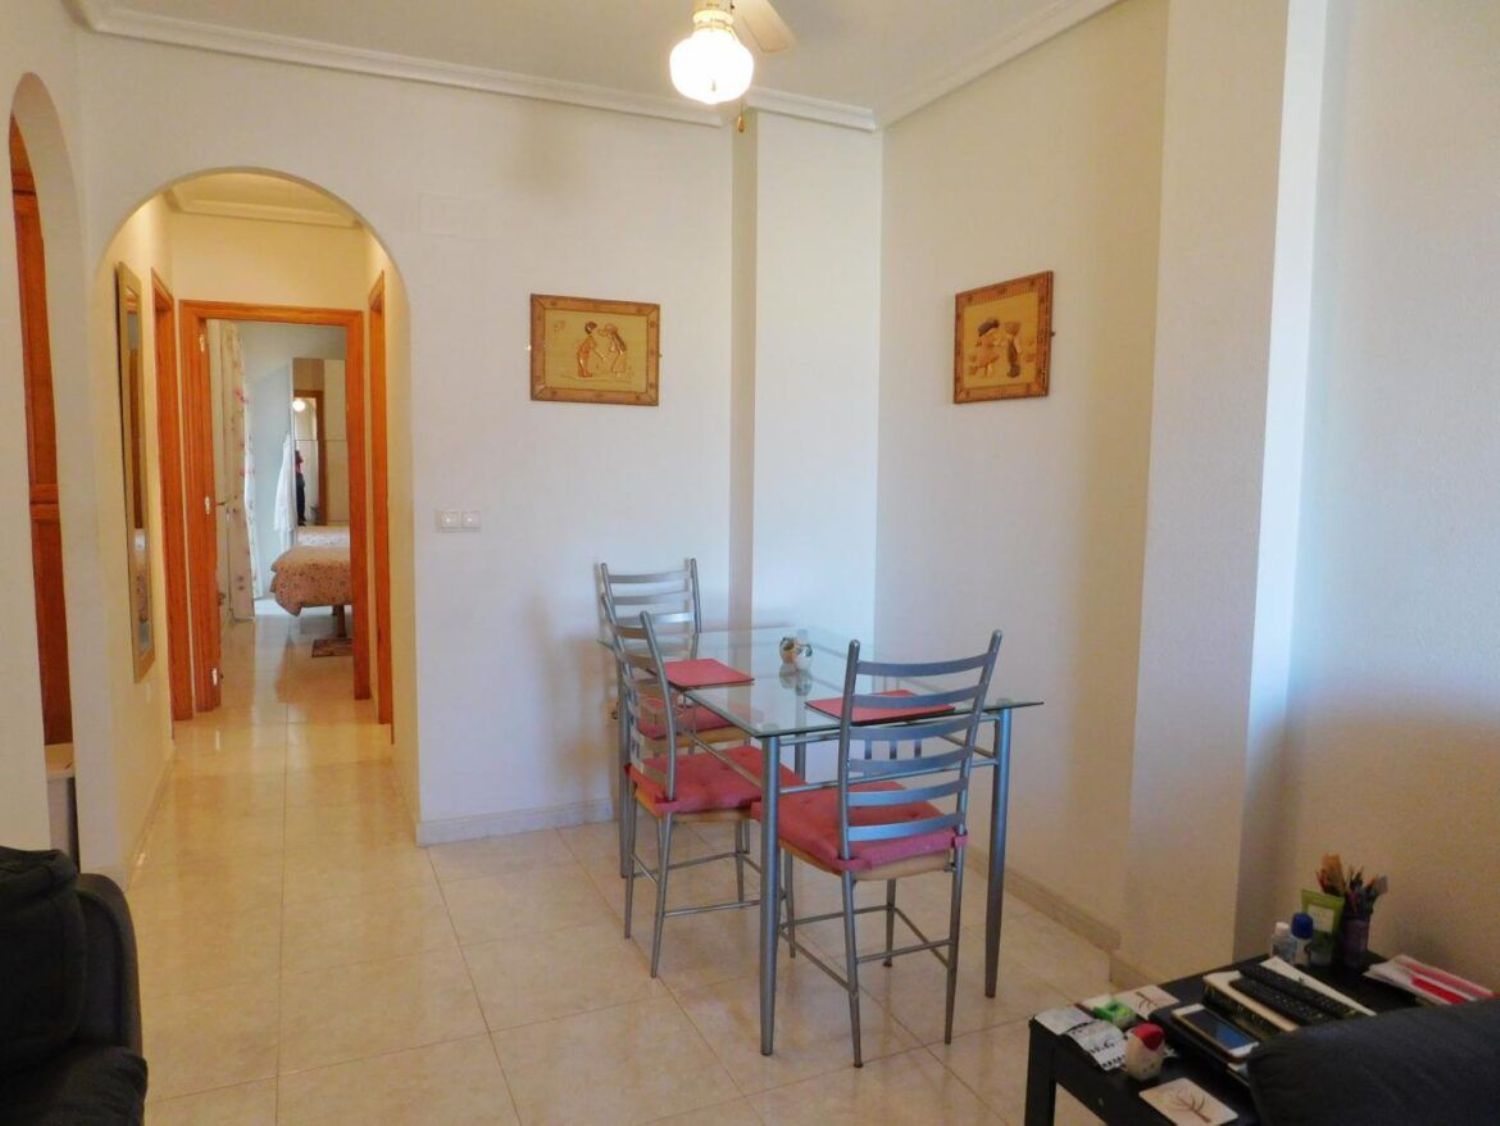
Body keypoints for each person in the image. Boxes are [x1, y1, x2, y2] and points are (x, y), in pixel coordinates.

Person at [294, 449, 306, 526]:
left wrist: (296, 454)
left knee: (301, 499)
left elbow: (301, 460)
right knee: (299, 500)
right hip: (296, 477)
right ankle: (299, 518)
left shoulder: (296, 456)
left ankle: (300, 517)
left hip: (298, 477)